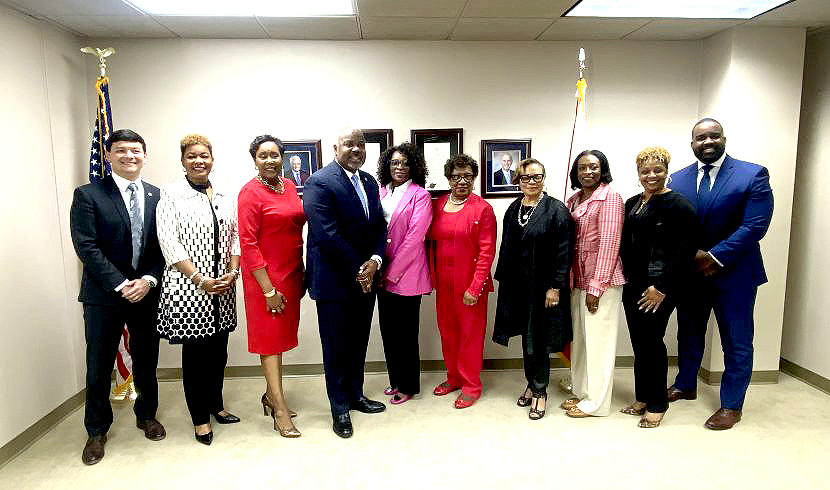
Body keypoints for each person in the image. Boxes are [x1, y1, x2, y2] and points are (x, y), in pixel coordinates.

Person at [667, 118, 773, 430]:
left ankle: (731, 405)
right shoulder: (677, 178)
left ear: (724, 139)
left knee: (736, 341)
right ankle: (686, 383)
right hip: (691, 274)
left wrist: (714, 256)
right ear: (692, 144)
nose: (708, 142)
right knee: (688, 333)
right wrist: (693, 257)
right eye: (701, 137)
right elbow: (673, 227)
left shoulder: (752, 174)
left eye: (714, 136)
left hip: (736, 275)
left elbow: (755, 225)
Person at [70, 129, 165, 465]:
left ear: (144, 155)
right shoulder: (88, 195)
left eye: (136, 150)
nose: (130, 156)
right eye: (122, 150)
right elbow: (87, 246)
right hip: (104, 296)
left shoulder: (157, 195)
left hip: (146, 294)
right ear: (108, 155)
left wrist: (149, 279)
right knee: (98, 365)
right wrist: (122, 283)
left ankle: (146, 415)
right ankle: (96, 430)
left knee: (146, 360)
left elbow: (162, 246)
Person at [156, 134, 241, 445]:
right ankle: (200, 420)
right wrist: (201, 279)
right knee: (196, 359)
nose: (198, 161)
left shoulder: (223, 195)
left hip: (224, 288)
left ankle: (216, 405)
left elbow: (235, 237)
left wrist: (233, 273)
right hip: (190, 288)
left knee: (218, 353)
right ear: (182, 160)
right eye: (191, 156)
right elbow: (169, 242)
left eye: (204, 155)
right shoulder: (171, 194)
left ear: (212, 160)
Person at [303, 127, 388, 438]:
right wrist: (360, 267)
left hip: (365, 279)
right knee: (337, 347)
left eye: (361, 145)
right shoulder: (320, 182)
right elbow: (327, 235)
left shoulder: (368, 180)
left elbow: (380, 226)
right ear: (336, 148)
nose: (356, 150)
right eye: (349, 144)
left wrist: (375, 261)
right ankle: (339, 408)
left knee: (358, 342)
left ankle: (355, 395)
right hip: (334, 281)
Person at [619, 147, 697, 428]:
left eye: (658, 170)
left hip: (659, 287)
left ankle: (657, 404)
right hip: (633, 284)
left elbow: (685, 251)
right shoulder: (632, 203)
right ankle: (642, 396)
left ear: (667, 171)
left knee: (652, 343)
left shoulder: (679, 204)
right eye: (645, 171)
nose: (651, 175)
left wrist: (662, 287)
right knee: (639, 344)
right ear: (638, 174)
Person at [493, 158, 572, 420]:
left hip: (543, 287)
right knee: (527, 340)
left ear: (544, 178)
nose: (531, 182)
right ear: (518, 180)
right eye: (525, 178)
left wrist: (555, 287)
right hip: (518, 287)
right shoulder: (513, 208)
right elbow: (506, 248)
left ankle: (540, 392)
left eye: (536, 177)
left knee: (538, 340)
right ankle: (531, 381)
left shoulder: (556, 209)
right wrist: (503, 284)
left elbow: (564, 252)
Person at [238, 135, 304, 438]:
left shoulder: (288, 186)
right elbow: (248, 244)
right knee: (270, 343)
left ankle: (269, 394)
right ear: (254, 159)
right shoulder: (249, 193)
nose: (270, 161)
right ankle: (278, 409)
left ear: (283, 158)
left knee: (280, 340)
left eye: (275, 155)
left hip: (290, 274)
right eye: (263, 156)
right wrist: (267, 289)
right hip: (265, 279)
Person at [428, 153, 497, 409]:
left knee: (470, 335)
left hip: (470, 285)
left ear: (474, 178)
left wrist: (475, 287)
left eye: (468, 176)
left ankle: (471, 385)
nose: (462, 181)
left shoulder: (483, 209)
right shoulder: (438, 205)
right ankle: (454, 377)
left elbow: (486, 252)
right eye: (456, 176)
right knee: (448, 332)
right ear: (448, 178)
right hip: (443, 283)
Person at [563, 150, 626, 418]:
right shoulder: (574, 199)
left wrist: (596, 287)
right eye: (582, 168)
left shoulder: (610, 197)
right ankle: (581, 392)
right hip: (577, 280)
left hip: (602, 282)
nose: (588, 172)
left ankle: (597, 404)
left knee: (598, 344)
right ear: (576, 172)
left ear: (603, 170)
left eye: (593, 167)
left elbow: (609, 245)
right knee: (581, 342)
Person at [375, 142, 432, 405]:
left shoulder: (420, 195)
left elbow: (414, 238)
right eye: (395, 162)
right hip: (381, 273)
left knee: (406, 334)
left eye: (405, 163)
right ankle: (395, 379)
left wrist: (391, 271)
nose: (400, 167)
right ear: (387, 165)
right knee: (389, 331)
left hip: (407, 275)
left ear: (414, 167)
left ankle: (408, 385)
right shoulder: (381, 192)